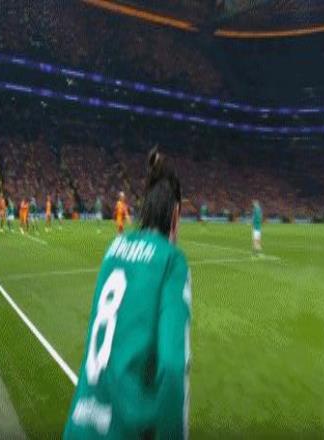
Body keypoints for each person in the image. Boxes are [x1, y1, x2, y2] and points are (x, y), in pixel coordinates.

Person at [64, 148, 192, 439]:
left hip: (78, 426)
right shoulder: (171, 260)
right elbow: (173, 368)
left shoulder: (113, 249)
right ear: (175, 213)